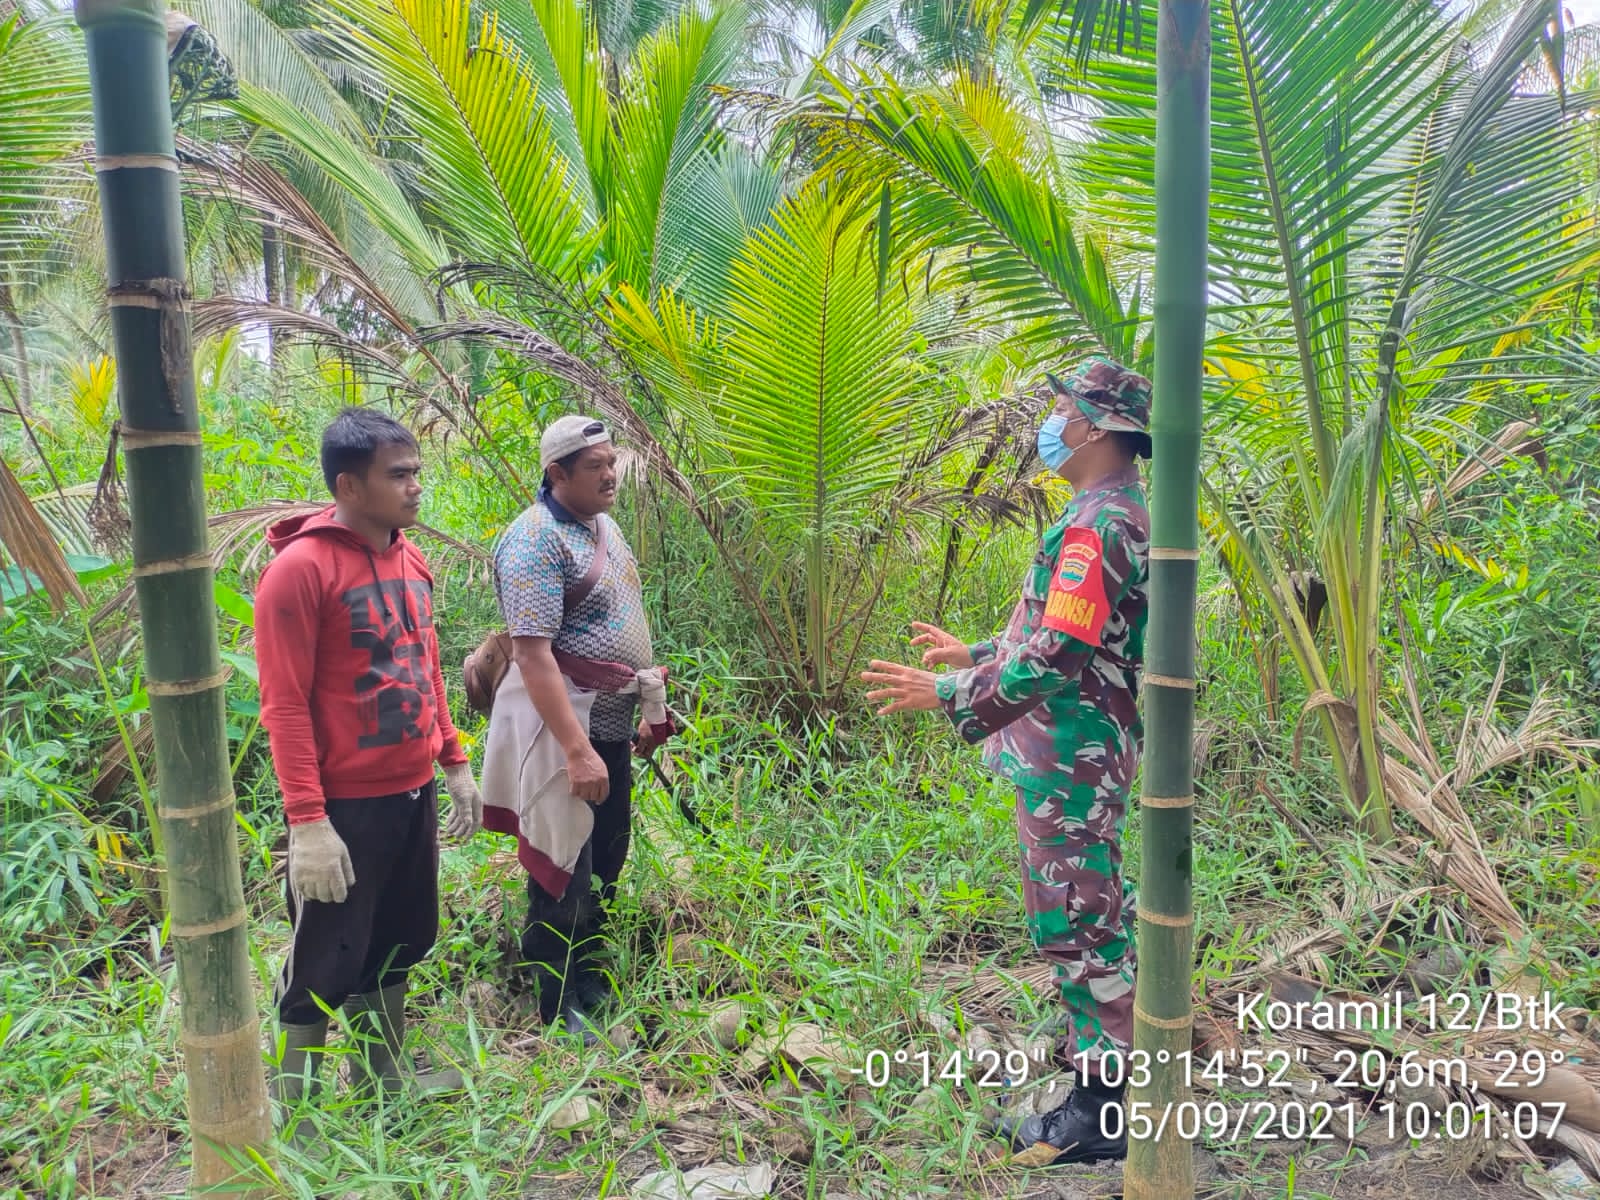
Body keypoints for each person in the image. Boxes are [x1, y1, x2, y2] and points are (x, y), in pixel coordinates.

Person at [861, 356, 1152, 1165]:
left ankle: (1103, 1113)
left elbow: (1060, 653)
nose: (1049, 423)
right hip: (1072, 749)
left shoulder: (1100, 523)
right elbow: (1073, 632)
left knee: (1078, 922)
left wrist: (951, 690)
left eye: (1061, 408)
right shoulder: (1105, 510)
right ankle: (1100, 1083)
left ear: (1094, 426)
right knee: (1084, 912)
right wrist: (981, 651)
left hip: (1073, 757)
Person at [255, 407, 482, 1140]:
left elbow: (427, 670)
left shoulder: (412, 559)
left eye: (417, 471)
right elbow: (284, 707)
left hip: (408, 794)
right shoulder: (299, 571)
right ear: (350, 484)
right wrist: (308, 824)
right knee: (325, 958)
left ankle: (386, 1081)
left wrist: (455, 764)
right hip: (342, 808)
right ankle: (298, 1122)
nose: (417, 486)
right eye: (399, 474)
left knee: (397, 941)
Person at [480, 415, 667, 1045]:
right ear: (557, 474)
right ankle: (557, 1001)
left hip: (609, 720)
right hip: (563, 728)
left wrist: (646, 705)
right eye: (596, 467)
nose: (612, 475)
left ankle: (591, 973)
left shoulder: (605, 527)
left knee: (609, 849)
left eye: (612, 462)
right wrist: (576, 749)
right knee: (563, 863)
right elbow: (534, 655)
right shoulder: (534, 540)